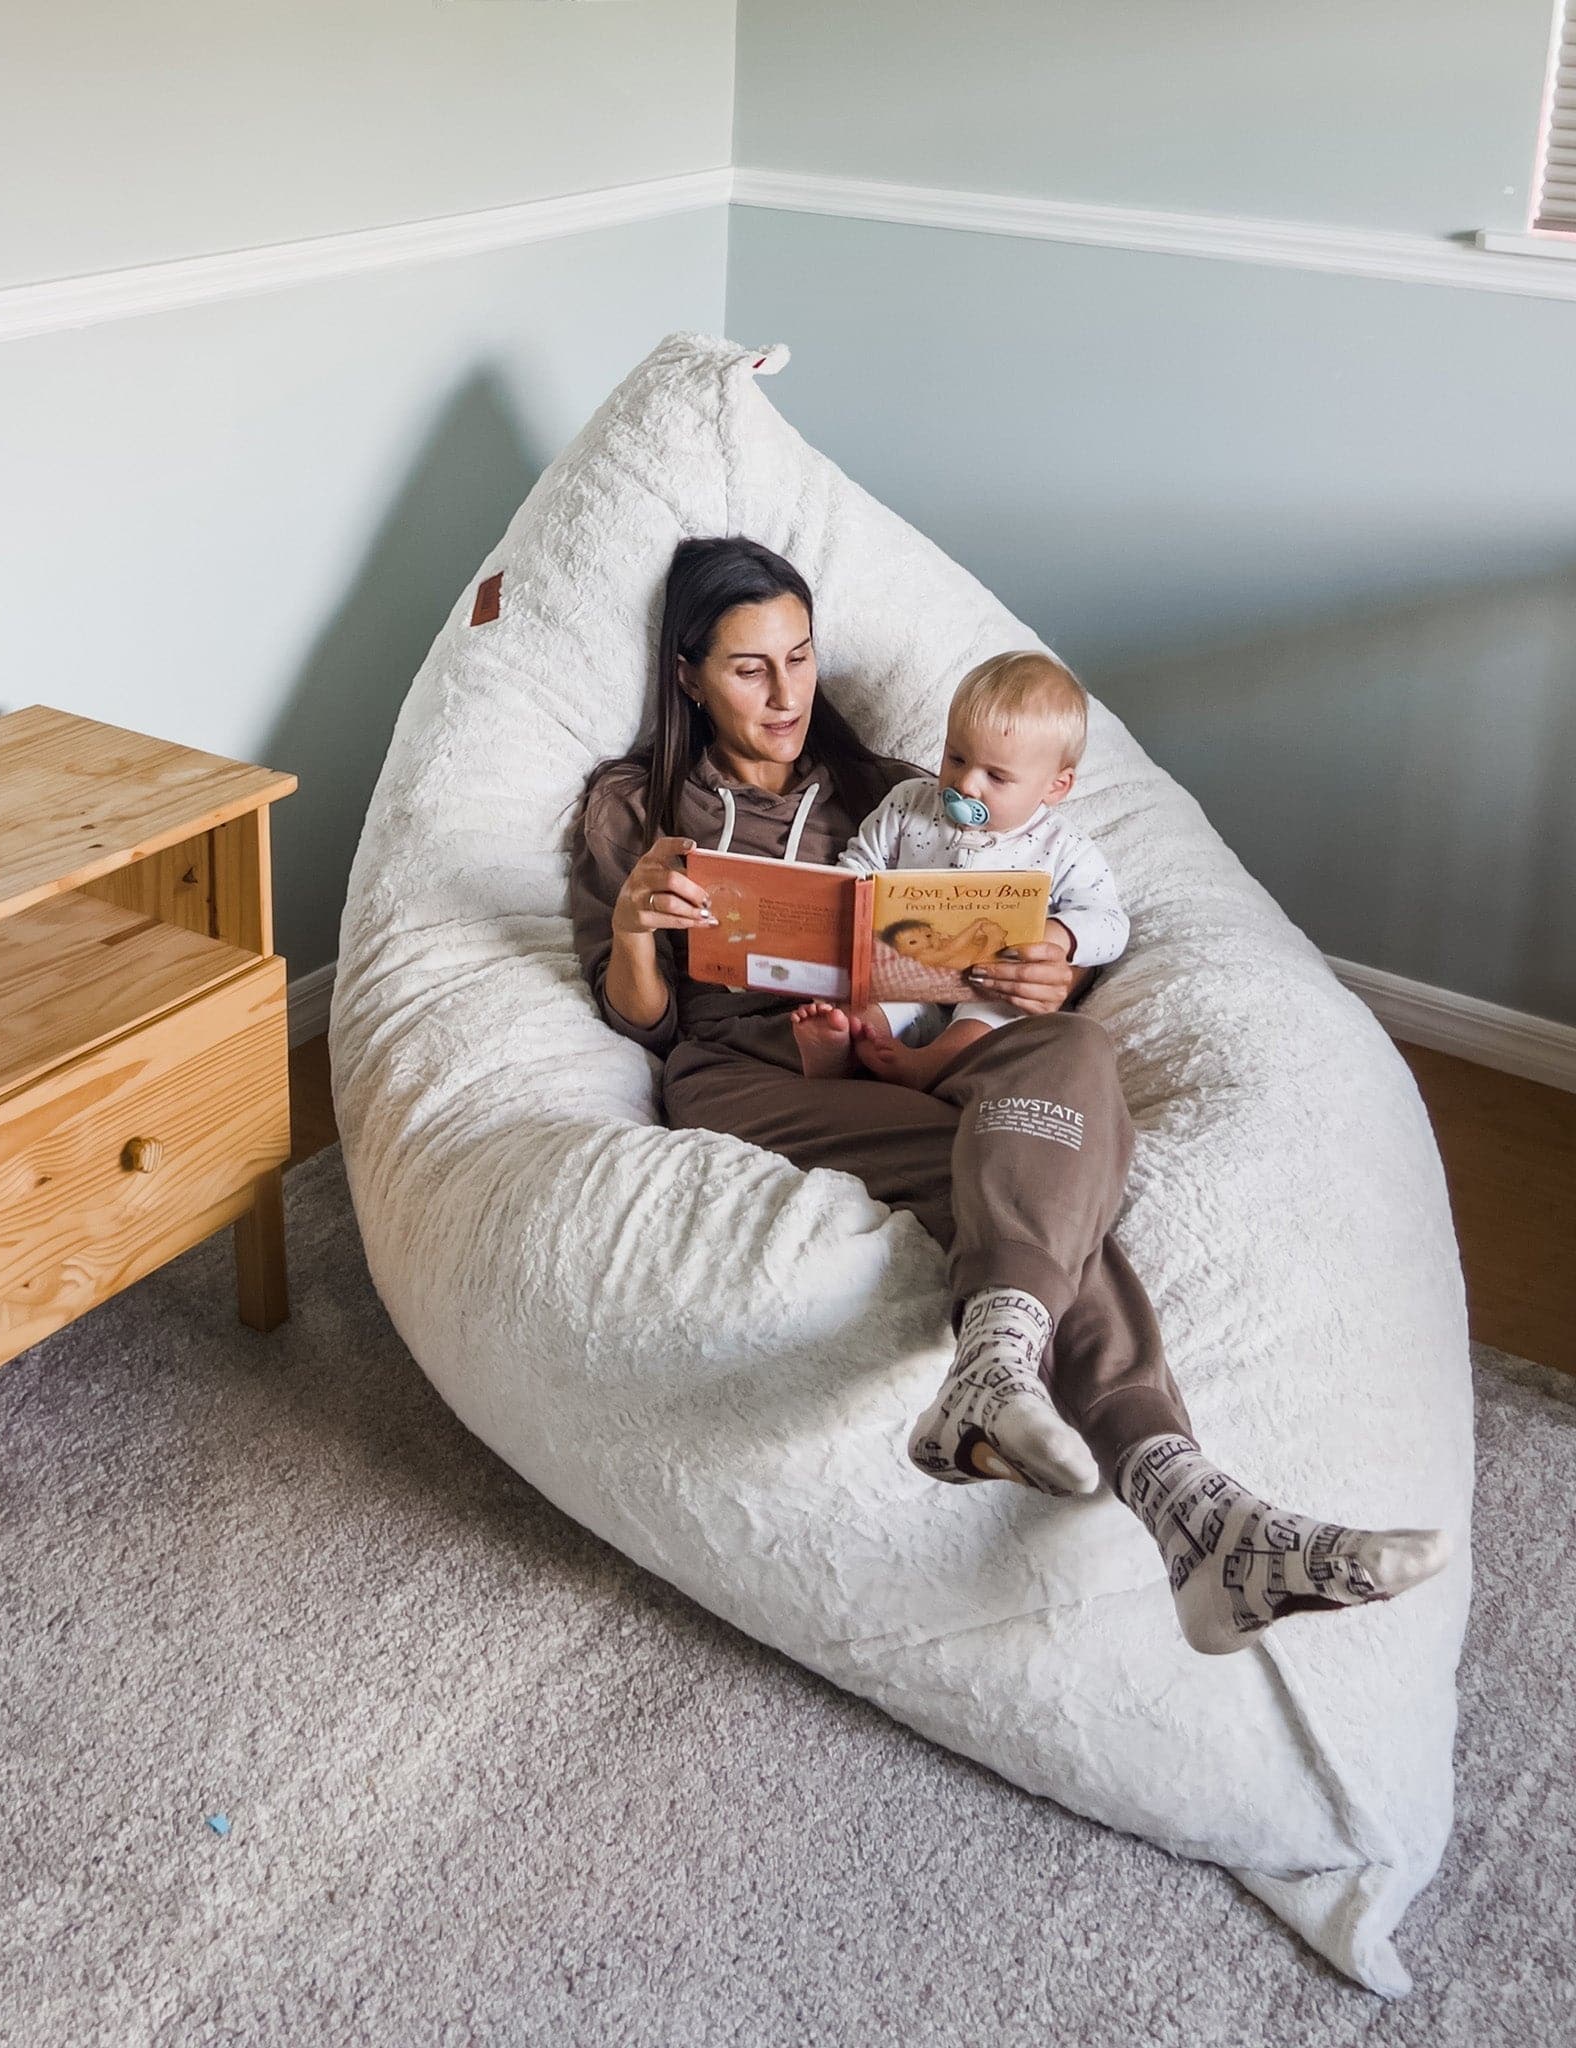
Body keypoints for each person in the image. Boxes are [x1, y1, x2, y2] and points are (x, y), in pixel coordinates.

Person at [568, 534, 1450, 1657]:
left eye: (800, 655)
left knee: (1069, 1058)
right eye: (750, 668)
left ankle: (999, 1374)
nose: (788, 692)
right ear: (687, 672)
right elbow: (631, 1021)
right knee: (1015, 1170)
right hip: (747, 1071)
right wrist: (641, 929)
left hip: (925, 1040)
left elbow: (1012, 931)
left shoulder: (890, 795)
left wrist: (1050, 967)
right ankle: (1189, 1503)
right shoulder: (631, 807)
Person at [792, 650, 1130, 1097]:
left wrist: (1059, 936)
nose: (966, 785)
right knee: (867, 1003)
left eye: (997, 776)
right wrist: (854, 904)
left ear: (1055, 786)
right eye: (956, 757)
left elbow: (1112, 923)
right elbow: (859, 863)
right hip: (907, 971)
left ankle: (926, 1067)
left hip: (990, 989)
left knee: (991, 1021)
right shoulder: (908, 804)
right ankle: (841, 1044)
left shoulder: (1063, 847)